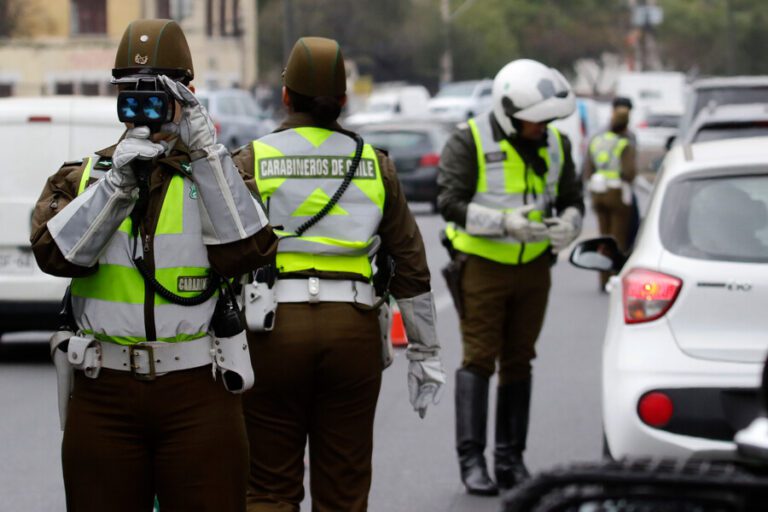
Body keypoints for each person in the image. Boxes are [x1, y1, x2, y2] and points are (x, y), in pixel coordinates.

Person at [30, 19, 277, 512]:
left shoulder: (219, 178)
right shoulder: (85, 178)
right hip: (103, 390)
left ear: (186, 92)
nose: (143, 105)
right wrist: (117, 185)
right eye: (130, 90)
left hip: (198, 388)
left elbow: (250, 250)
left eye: (158, 90)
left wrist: (206, 152)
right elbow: (54, 255)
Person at [233, 36, 446, 512]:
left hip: (271, 331)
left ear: (286, 96)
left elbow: (224, 253)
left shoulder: (252, 159)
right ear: (343, 100)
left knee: (268, 486)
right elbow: (411, 266)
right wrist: (425, 351)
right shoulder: (374, 164)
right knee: (344, 488)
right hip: (353, 331)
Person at [438, 59, 585, 495]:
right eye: (532, 122)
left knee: (520, 359)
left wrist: (571, 224)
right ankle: (472, 462)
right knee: (480, 358)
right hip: (482, 266)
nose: (541, 129)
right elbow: (450, 202)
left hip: (535, 267)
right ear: (507, 112)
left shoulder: (556, 144)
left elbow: (572, 196)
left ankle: (510, 460)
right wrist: (503, 223)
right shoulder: (469, 141)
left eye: (546, 122)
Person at [583, 97, 637, 290]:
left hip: (598, 192)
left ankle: (602, 278)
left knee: (603, 237)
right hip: (617, 193)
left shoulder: (597, 139)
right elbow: (630, 172)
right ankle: (615, 276)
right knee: (618, 238)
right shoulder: (625, 142)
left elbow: (587, 168)